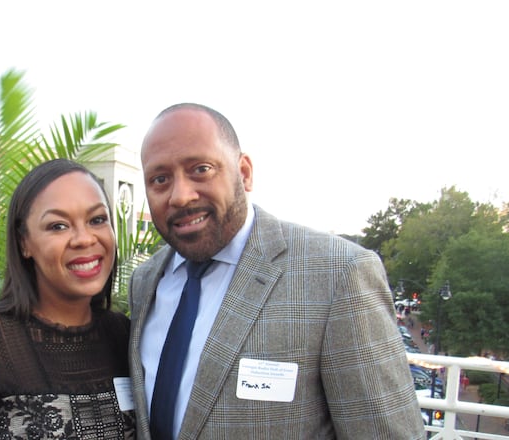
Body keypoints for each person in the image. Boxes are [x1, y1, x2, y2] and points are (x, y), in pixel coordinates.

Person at [128, 103, 425, 439]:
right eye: (160, 179)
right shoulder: (145, 281)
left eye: (201, 169)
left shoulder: (337, 274)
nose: (180, 196)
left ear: (244, 172)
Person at [0, 159, 135, 439]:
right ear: (24, 243)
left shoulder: (125, 336)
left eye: (97, 220)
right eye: (58, 226)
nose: (84, 239)